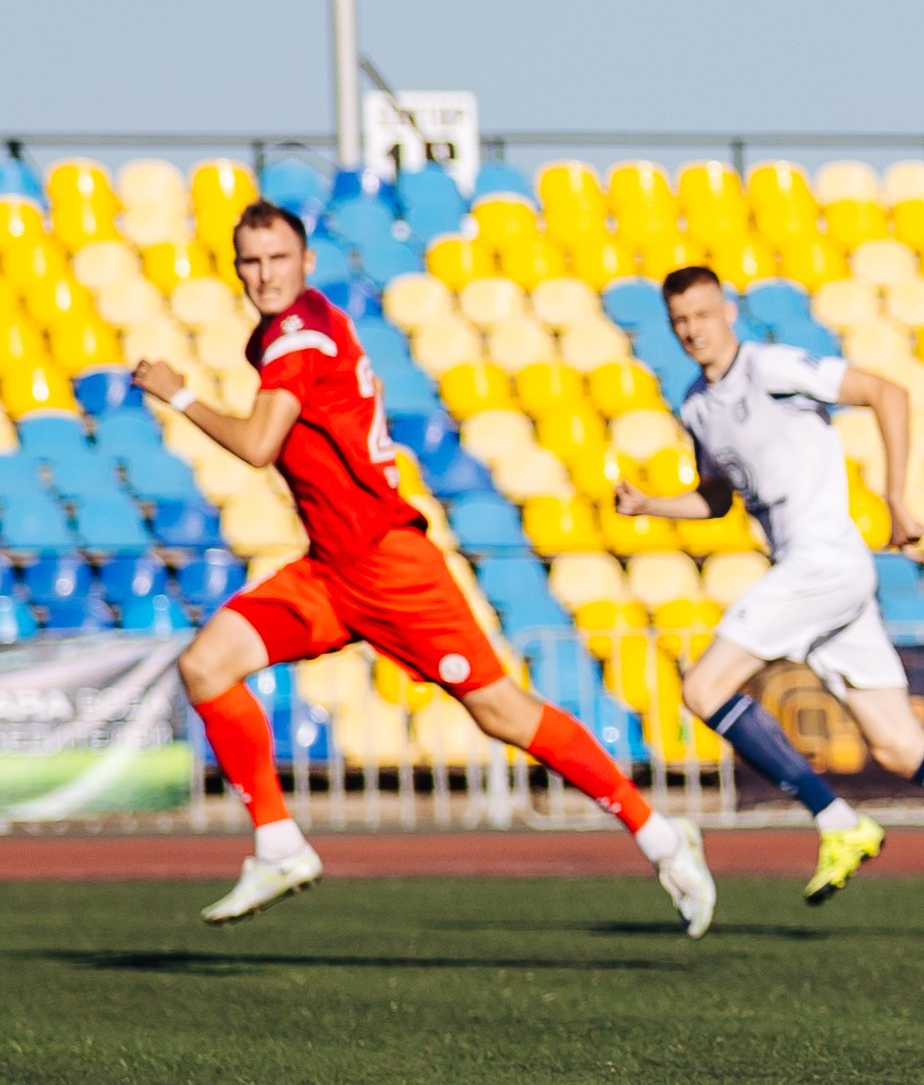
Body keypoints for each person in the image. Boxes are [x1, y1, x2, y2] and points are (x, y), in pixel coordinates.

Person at [132, 203, 717, 934]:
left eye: (278, 258)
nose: (264, 274)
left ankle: (662, 836)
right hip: (331, 568)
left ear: (306, 262)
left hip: (390, 564)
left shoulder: (299, 335)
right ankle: (279, 844)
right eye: (251, 261)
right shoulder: (294, 329)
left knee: (502, 711)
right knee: (206, 666)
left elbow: (256, 444)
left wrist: (177, 393)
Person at [615, 267, 924, 936]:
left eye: (701, 313)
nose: (692, 330)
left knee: (703, 688)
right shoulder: (696, 404)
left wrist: (897, 497)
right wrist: (651, 505)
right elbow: (717, 497)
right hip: (813, 574)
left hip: (826, 560)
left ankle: (836, 817)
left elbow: (886, 391)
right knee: (901, 746)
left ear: (727, 310)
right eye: (680, 321)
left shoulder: (773, 365)